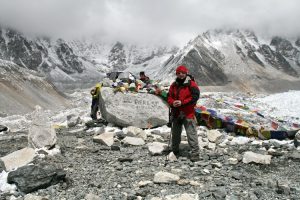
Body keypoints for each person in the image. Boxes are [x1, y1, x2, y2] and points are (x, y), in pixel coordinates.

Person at [167, 65, 200, 162]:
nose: (181, 74)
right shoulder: (173, 85)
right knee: (175, 133)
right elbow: (169, 97)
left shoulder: (192, 84)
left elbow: (195, 97)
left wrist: (182, 102)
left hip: (188, 113)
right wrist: (172, 102)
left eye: (182, 73)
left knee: (191, 133)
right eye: (178, 73)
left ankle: (195, 153)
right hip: (176, 113)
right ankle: (175, 150)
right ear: (176, 74)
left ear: (186, 73)